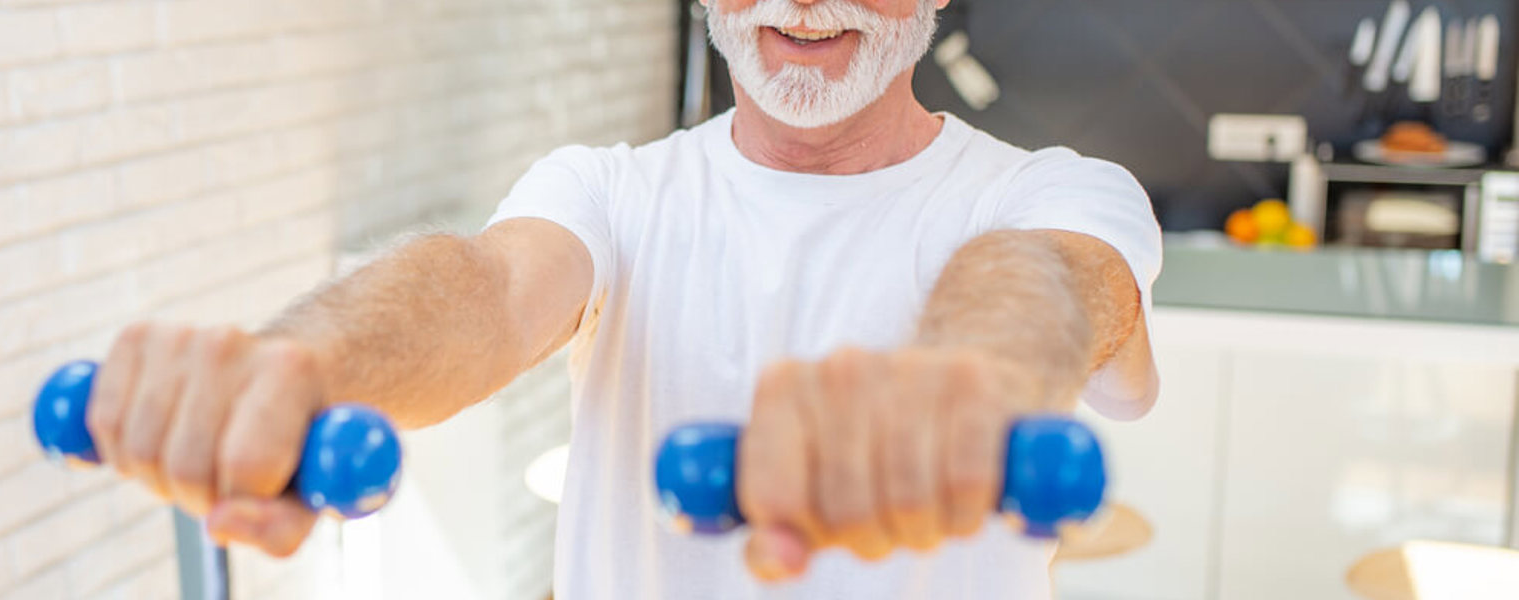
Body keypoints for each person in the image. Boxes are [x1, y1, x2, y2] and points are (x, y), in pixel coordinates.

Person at [81, 0, 1162, 597]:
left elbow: (1048, 281)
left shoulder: (1050, 192)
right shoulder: (608, 190)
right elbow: (489, 289)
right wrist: (299, 366)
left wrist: (961, 386)